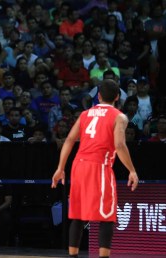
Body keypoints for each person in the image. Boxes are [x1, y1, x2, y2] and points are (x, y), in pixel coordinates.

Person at [51, 79, 139, 258]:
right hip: (99, 166)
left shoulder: (85, 114)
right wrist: (132, 170)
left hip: (78, 165)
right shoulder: (119, 116)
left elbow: (69, 140)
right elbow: (120, 145)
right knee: (106, 216)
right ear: (117, 97)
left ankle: (72, 255)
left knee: (78, 214)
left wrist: (60, 168)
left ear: (98, 96)